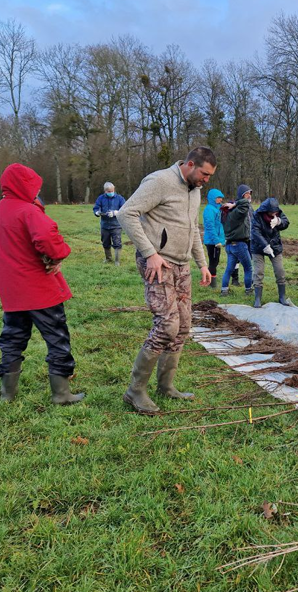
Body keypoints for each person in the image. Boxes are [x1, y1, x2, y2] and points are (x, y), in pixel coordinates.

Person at [117, 147, 215, 414]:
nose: (206, 180)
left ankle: (166, 386)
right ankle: (134, 392)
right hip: (158, 263)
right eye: (204, 174)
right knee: (167, 325)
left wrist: (202, 263)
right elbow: (126, 213)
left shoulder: (194, 190)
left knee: (183, 327)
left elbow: (193, 228)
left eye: (209, 177)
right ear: (191, 164)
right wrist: (150, 253)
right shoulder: (160, 181)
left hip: (182, 265)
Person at [0, 163, 84, 405]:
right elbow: (47, 238)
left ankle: (7, 394)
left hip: (12, 290)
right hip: (39, 288)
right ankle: (61, 393)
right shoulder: (28, 211)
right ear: (25, 186)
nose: (36, 191)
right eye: (34, 187)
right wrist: (59, 255)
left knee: (13, 338)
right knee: (56, 337)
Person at [250, 197, 292, 308]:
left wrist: (279, 221)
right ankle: (257, 299)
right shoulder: (257, 215)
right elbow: (255, 232)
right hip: (258, 246)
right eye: (272, 212)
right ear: (266, 210)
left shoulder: (278, 213)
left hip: (275, 246)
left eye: (275, 212)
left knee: (280, 271)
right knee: (259, 272)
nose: (274, 213)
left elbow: (286, 222)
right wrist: (265, 245)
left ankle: (282, 297)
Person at [220, 185, 254, 296]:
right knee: (248, 268)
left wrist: (234, 204)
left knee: (229, 269)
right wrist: (236, 203)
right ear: (243, 195)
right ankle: (249, 291)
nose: (250, 196)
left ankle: (224, 290)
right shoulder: (237, 212)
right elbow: (245, 204)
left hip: (229, 245)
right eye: (248, 193)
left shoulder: (225, 214)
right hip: (240, 245)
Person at [92, 182, 127, 265]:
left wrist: (116, 213)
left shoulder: (120, 198)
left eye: (112, 190)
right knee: (105, 242)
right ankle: (108, 258)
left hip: (116, 225)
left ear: (114, 189)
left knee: (117, 242)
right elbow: (96, 207)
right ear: (105, 191)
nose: (111, 192)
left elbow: (125, 209)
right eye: (109, 191)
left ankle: (117, 260)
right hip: (105, 225)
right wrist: (97, 212)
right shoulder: (100, 198)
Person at [202, 188, 225, 287]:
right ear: (213, 198)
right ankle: (212, 283)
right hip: (212, 241)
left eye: (221, 198)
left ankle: (210, 279)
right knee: (213, 261)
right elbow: (210, 226)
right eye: (218, 198)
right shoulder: (209, 210)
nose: (220, 200)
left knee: (216, 261)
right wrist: (216, 240)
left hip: (217, 240)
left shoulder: (218, 208)